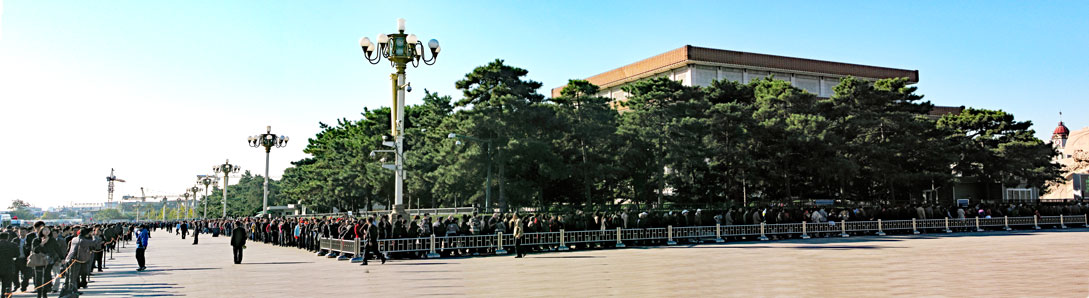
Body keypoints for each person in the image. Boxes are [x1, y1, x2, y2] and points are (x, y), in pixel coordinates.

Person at [0, 232, 19, 297]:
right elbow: (17, 255)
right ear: (7, 237)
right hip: (9, 266)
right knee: (8, 284)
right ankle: (7, 295)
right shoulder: (13, 245)